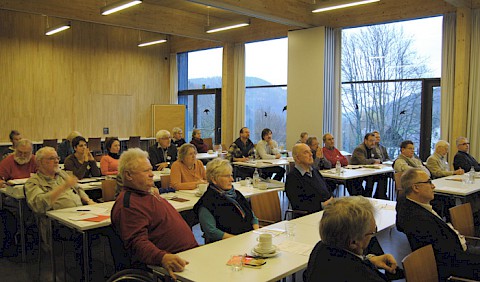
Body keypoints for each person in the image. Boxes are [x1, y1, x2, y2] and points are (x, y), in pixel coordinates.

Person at [111, 148, 197, 278]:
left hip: (190, 255)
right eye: (146, 171)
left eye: (151, 169)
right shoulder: (128, 205)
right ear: (128, 175)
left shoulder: (146, 193)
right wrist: (162, 258)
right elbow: (137, 243)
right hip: (172, 265)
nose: (152, 174)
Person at [396, 168, 480, 280]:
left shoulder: (414, 204)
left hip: (461, 249)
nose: (433, 186)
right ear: (416, 188)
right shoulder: (420, 220)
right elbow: (447, 257)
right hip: (461, 263)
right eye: (429, 182)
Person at [305, 196, 401, 282]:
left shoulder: (320, 248)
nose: (373, 236)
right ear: (353, 243)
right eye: (371, 232)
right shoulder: (364, 276)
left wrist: (370, 260)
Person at [25, 147, 95, 234]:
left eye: (57, 158)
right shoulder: (33, 182)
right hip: (57, 223)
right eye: (51, 158)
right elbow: (39, 205)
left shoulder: (61, 174)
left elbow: (78, 188)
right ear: (40, 162)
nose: (56, 161)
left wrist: (88, 201)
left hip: (79, 214)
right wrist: (63, 187)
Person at [193, 158, 259, 243]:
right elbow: (211, 231)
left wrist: (256, 233)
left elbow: (252, 217)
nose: (232, 179)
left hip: (247, 239)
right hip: (226, 244)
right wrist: (239, 240)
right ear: (214, 179)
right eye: (227, 176)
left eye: (231, 175)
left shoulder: (236, 194)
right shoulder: (207, 202)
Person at [285, 144, 333, 215]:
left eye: (310, 151)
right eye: (306, 152)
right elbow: (299, 205)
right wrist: (323, 205)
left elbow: (327, 189)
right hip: (308, 216)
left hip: (327, 211)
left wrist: (331, 199)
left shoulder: (315, 171)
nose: (311, 154)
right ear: (297, 158)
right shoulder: (292, 178)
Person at [350, 133, 387, 199]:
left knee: (383, 176)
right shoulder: (359, 149)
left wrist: (376, 160)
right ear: (365, 140)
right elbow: (363, 162)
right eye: (371, 141)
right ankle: (367, 197)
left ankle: (380, 196)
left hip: (367, 171)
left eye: (374, 141)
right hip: (355, 173)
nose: (373, 143)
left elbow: (380, 158)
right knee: (370, 178)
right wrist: (374, 161)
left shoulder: (373, 148)